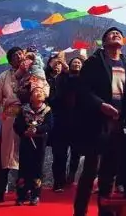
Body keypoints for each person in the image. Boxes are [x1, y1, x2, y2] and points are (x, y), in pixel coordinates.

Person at [72, 27, 126, 216]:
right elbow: (83, 90)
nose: (116, 35)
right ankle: (80, 211)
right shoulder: (94, 62)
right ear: (104, 41)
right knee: (91, 170)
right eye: (111, 34)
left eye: (119, 34)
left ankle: (105, 211)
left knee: (110, 172)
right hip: (97, 123)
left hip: (119, 123)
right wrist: (101, 105)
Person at [0, 46, 26, 202]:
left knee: (28, 153)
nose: (19, 57)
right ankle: (0, 191)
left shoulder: (33, 72)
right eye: (15, 55)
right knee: (5, 154)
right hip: (10, 115)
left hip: (31, 114)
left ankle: (26, 192)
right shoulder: (4, 76)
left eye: (20, 53)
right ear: (10, 61)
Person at [13, 84, 53, 206]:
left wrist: (38, 130)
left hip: (39, 143)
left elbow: (49, 125)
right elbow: (17, 124)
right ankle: (21, 195)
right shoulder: (24, 109)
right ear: (30, 96)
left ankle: (35, 195)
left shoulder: (47, 110)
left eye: (41, 91)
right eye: (35, 91)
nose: (38, 93)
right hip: (26, 141)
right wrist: (24, 131)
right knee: (24, 168)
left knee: (37, 169)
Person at [48, 54, 81, 192]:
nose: (77, 64)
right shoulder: (60, 79)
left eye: (80, 62)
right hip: (61, 121)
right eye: (74, 62)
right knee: (59, 153)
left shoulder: (84, 80)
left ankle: (71, 177)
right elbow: (55, 98)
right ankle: (58, 181)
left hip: (78, 122)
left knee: (76, 152)